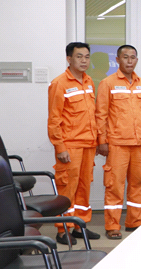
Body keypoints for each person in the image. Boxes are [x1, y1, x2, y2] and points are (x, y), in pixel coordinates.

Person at [96, 45, 141, 240]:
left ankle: (134, 222)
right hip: (117, 143)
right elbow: (101, 114)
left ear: (137, 60)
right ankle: (112, 225)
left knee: (138, 183)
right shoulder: (107, 83)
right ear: (117, 60)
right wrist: (102, 140)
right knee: (115, 185)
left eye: (133, 57)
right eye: (125, 57)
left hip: (139, 143)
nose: (129, 61)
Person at [47, 42, 100, 245]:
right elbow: (54, 119)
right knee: (67, 187)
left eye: (87, 57)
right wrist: (60, 147)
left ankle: (79, 226)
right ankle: (63, 229)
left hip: (88, 144)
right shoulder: (59, 83)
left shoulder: (88, 82)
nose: (84, 60)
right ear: (69, 59)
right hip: (70, 146)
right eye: (79, 57)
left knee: (84, 187)